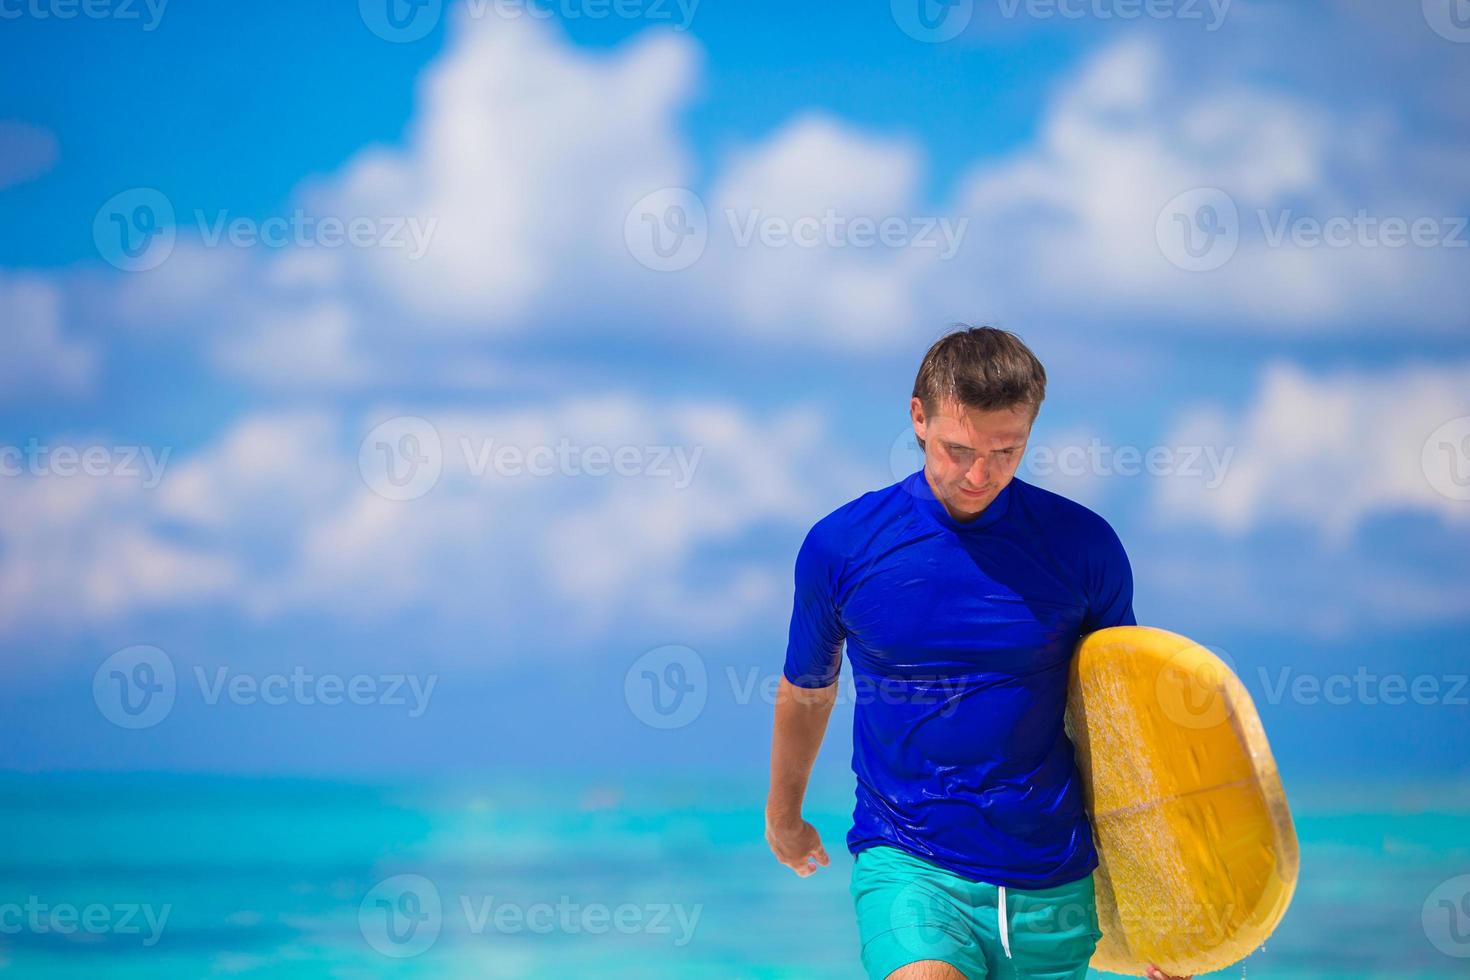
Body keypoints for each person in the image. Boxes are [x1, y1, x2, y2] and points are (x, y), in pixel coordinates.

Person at [764, 326, 1191, 980]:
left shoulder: (1083, 546)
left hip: (1053, 880)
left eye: (1007, 450)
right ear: (917, 418)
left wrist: (1159, 901)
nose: (980, 474)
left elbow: (1121, 723)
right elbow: (808, 688)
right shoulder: (844, 546)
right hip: (908, 859)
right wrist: (784, 814)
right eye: (957, 449)